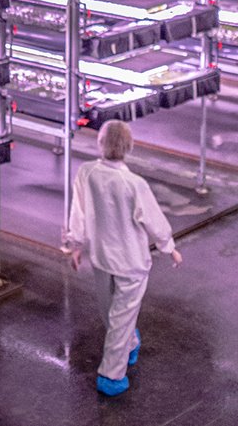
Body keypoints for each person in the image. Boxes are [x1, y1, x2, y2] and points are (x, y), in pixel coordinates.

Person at [65, 120, 180, 398]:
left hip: (102, 258)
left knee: (111, 313)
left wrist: (75, 244)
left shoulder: (86, 173)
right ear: (129, 147)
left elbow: (77, 212)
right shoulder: (134, 184)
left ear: (100, 143)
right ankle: (125, 351)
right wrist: (169, 247)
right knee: (118, 317)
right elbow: (154, 220)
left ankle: (111, 372)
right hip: (132, 262)